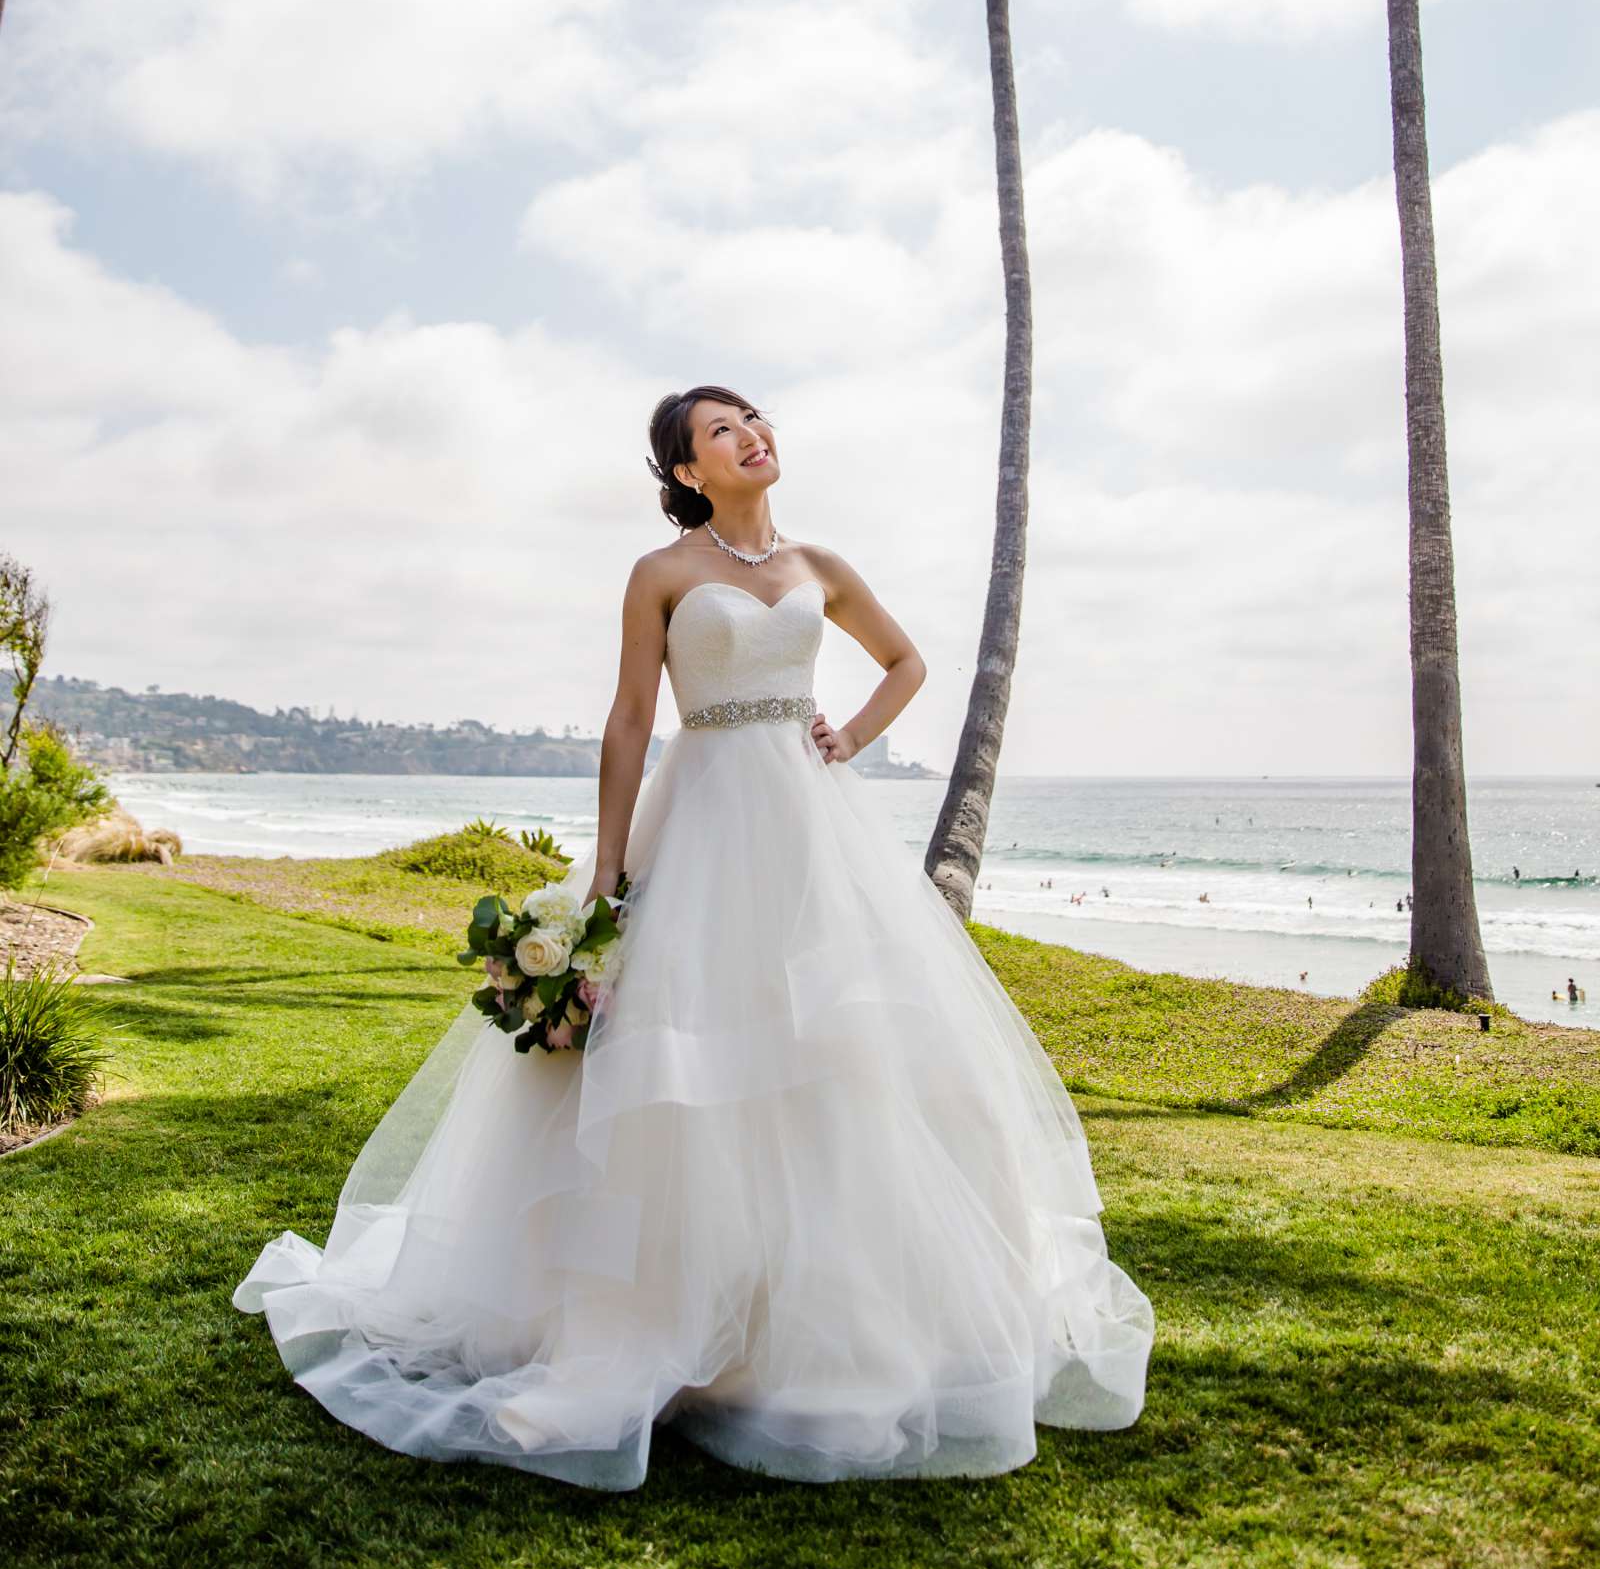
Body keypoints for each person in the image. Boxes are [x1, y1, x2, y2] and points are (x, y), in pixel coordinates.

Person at [232, 384, 1154, 1489]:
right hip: (700, 809)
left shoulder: (820, 564)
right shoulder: (662, 575)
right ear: (684, 473)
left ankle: (830, 1327)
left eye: (754, 419)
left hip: (808, 826)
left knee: (838, 1051)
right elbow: (629, 721)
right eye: (721, 431)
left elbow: (906, 663)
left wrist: (846, 734)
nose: (750, 435)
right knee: (680, 1059)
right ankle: (645, 1328)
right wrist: (609, 869)